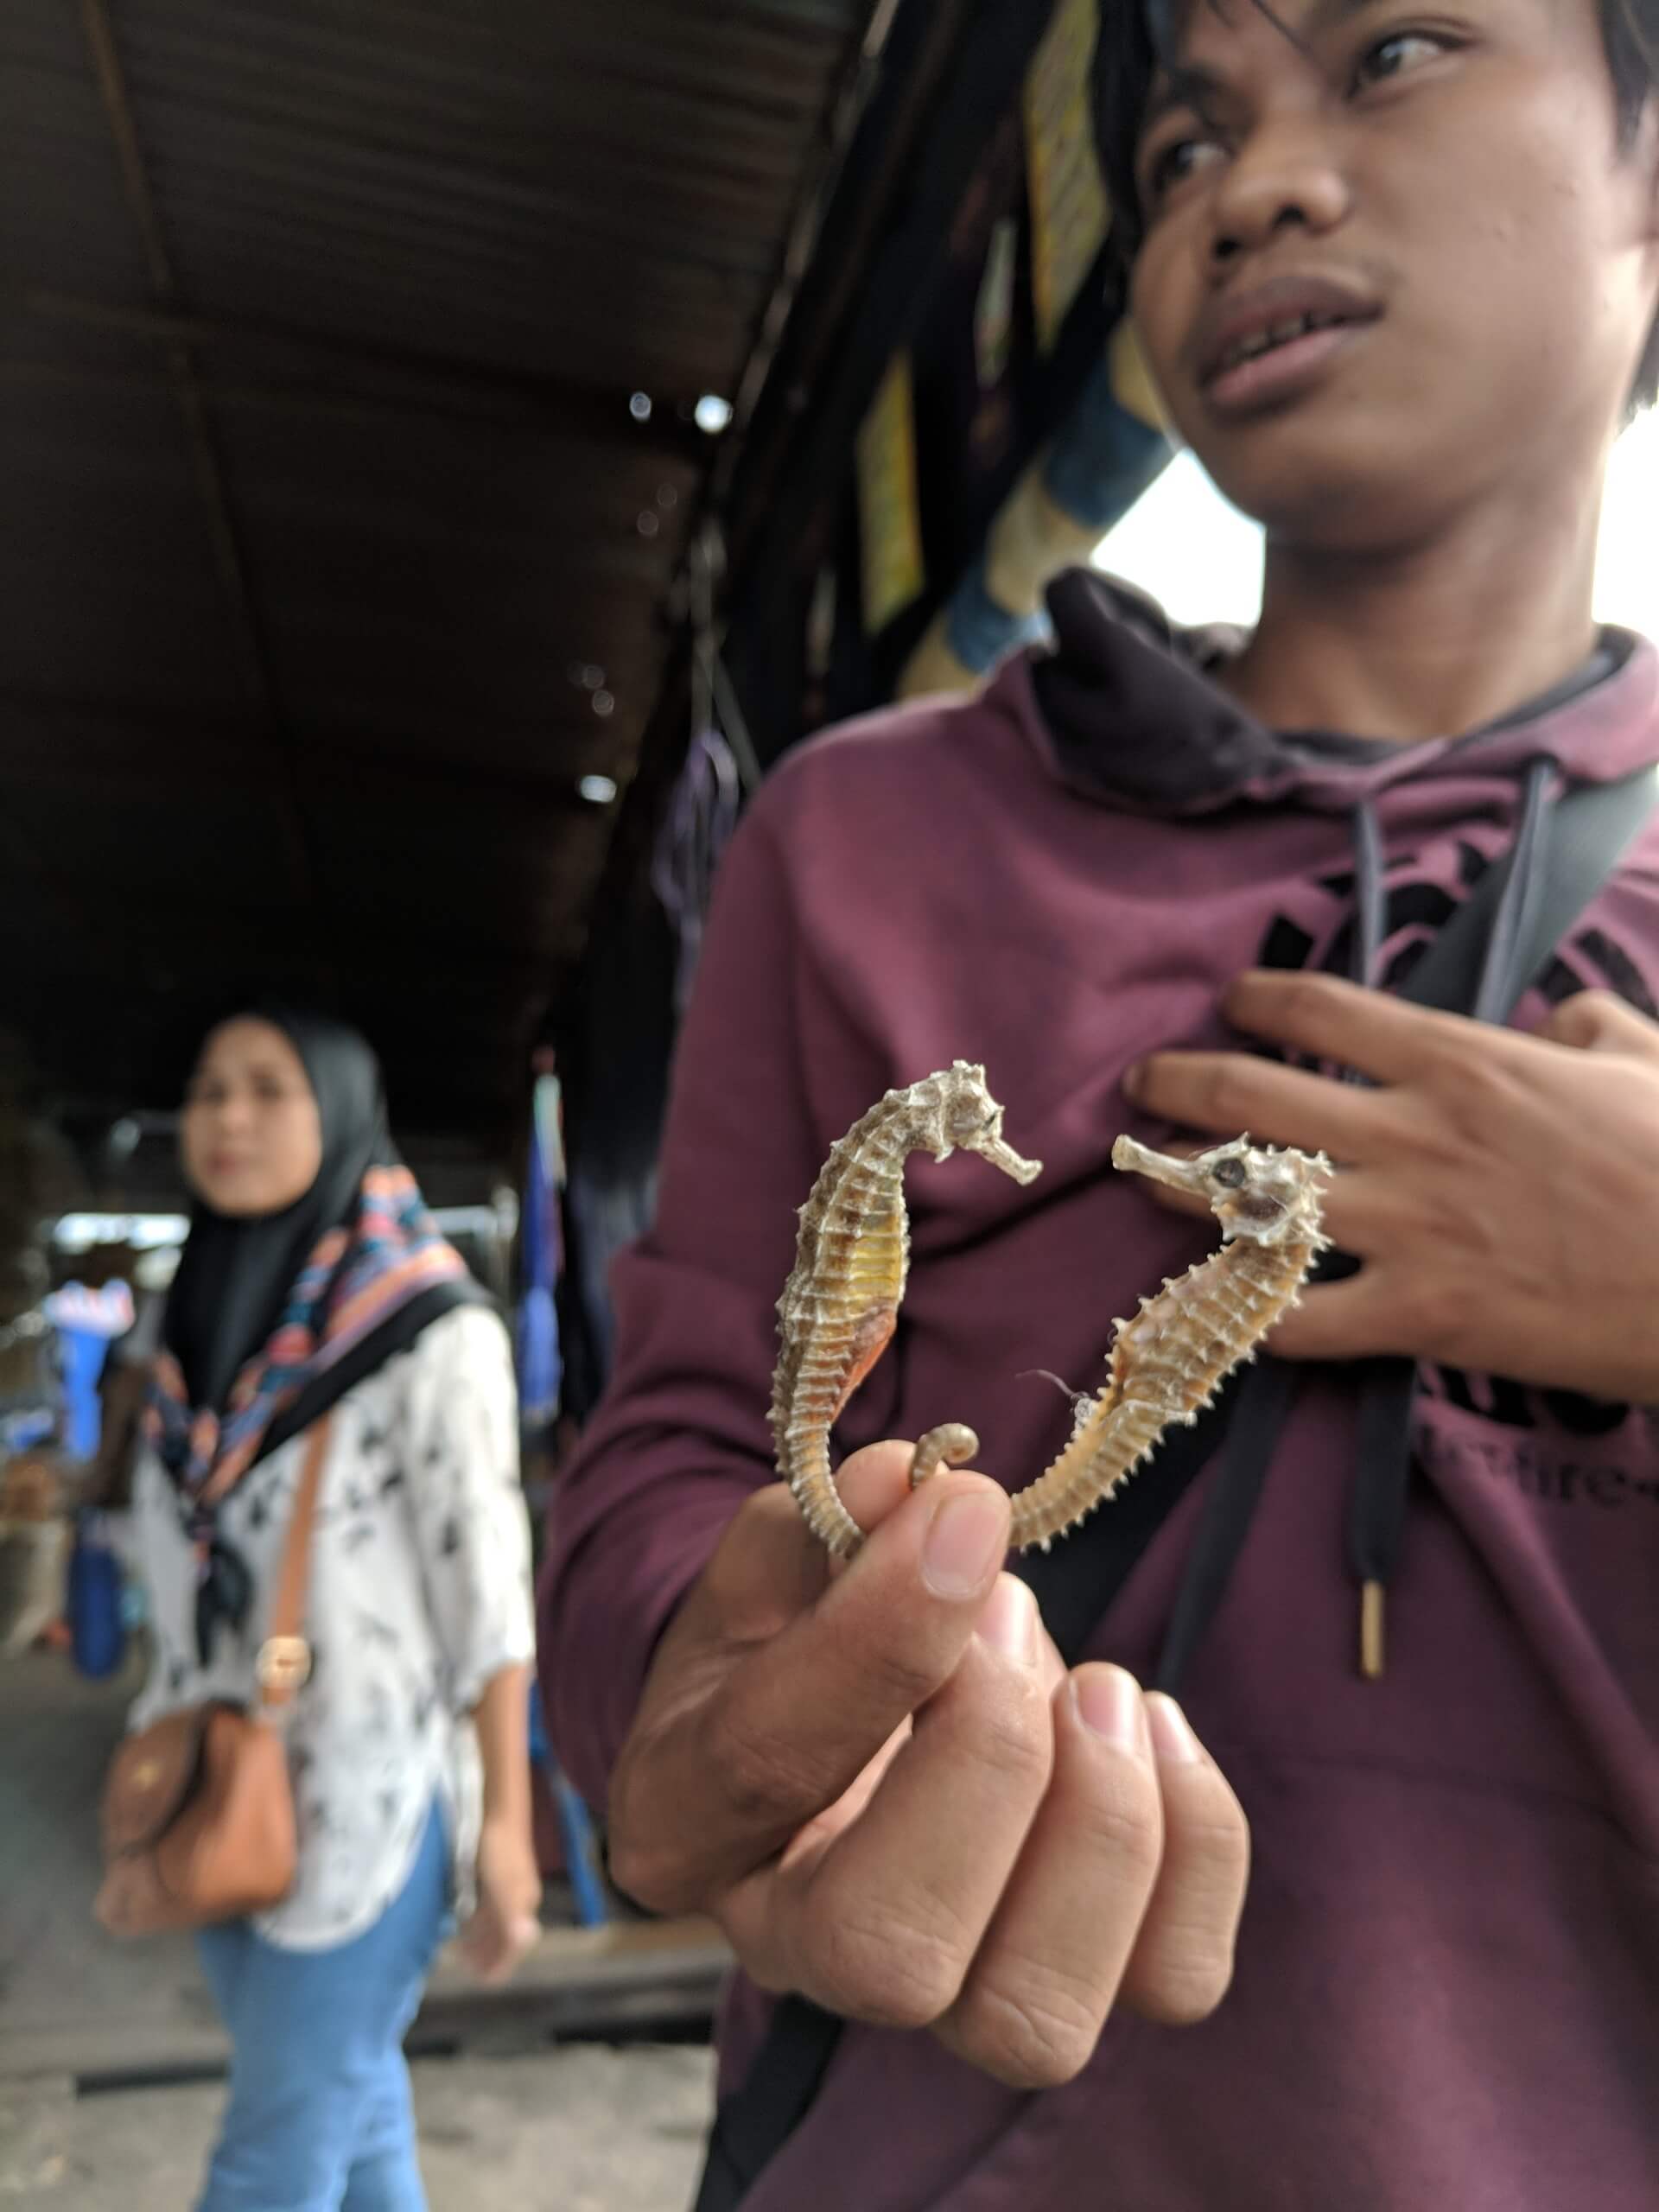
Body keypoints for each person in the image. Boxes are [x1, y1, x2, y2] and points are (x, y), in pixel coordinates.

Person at [541, 5, 1659, 2209]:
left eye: (1397, 51)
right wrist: (701, 1693)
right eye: (1176, 149)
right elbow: (665, 1457)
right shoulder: (868, 835)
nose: (1252, 187)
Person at [125, 1010, 539, 2212]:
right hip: (217, 1791)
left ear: (345, 1114)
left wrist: (508, 1829)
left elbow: (491, 1598)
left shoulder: (429, 1329)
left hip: (369, 1808)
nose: (229, 1118)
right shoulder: (186, 1330)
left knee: (272, 2152)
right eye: (208, 1091)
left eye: (269, 1089)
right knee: (347, 2117)